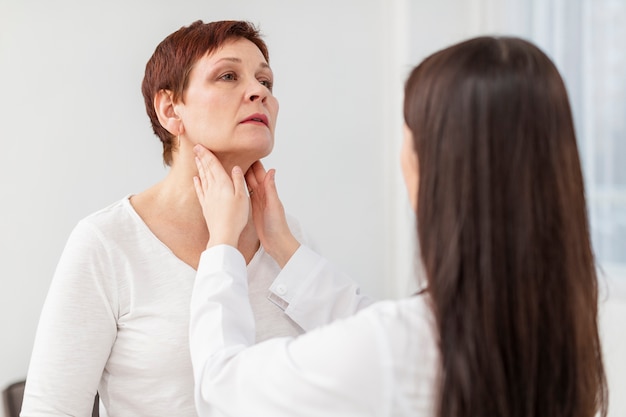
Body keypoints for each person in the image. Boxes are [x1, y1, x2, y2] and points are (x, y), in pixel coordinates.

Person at [189, 36, 609, 417]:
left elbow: (221, 390)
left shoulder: (398, 349)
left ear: (434, 165)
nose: (258, 91)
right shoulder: (562, 326)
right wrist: (284, 247)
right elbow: (377, 328)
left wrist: (221, 244)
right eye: (228, 75)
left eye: (406, 134)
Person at [21, 20, 366, 417]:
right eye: (228, 76)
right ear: (170, 109)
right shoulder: (107, 242)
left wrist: (285, 245)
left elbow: (345, 378)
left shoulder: (290, 240)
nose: (259, 92)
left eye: (266, 82)